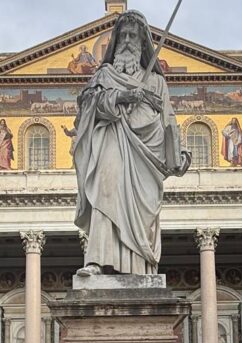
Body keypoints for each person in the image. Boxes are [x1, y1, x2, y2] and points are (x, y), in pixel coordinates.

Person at [73, 10, 186, 276]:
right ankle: (97, 260)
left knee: (139, 209)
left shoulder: (157, 81)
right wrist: (124, 96)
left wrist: (177, 155)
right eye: (122, 35)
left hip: (145, 157)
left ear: (142, 43)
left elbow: (168, 121)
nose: (126, 40)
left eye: (132, 35)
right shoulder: (104, 75)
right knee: (105, 188)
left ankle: (139, 267)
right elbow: (88, 105)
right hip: (111, 141)